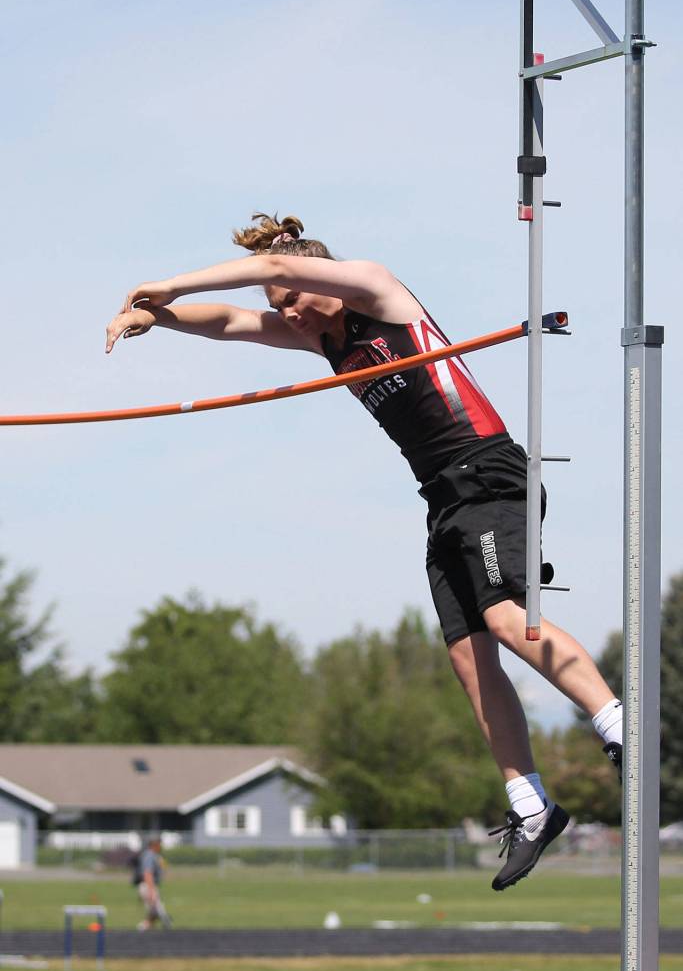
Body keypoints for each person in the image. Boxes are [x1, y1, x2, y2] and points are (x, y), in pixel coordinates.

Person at [106, 212, 623, 891]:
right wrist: (161, 320)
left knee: (503, 617)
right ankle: (531, 805)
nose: (286, 314)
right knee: (470, 663)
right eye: (280, 308)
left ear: (322, 277)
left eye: (291, 299)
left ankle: (617, 723)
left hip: (488, 473)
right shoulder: (323, 341)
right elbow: (231, 322)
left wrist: (167, 285)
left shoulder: (380, 295)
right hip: (441, 499)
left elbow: (275, 268)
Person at [133, 836, 171, 930]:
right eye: (159, 844)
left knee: (155, 912)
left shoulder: (155, 855)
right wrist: (151, 891)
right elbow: (147, 873)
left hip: (150, 885)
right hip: (148, 885)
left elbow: (163, 868)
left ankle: (148, 929)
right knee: (158, 911)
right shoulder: (149, 855)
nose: (161, 846)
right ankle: (142, 928)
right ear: (154, 845)